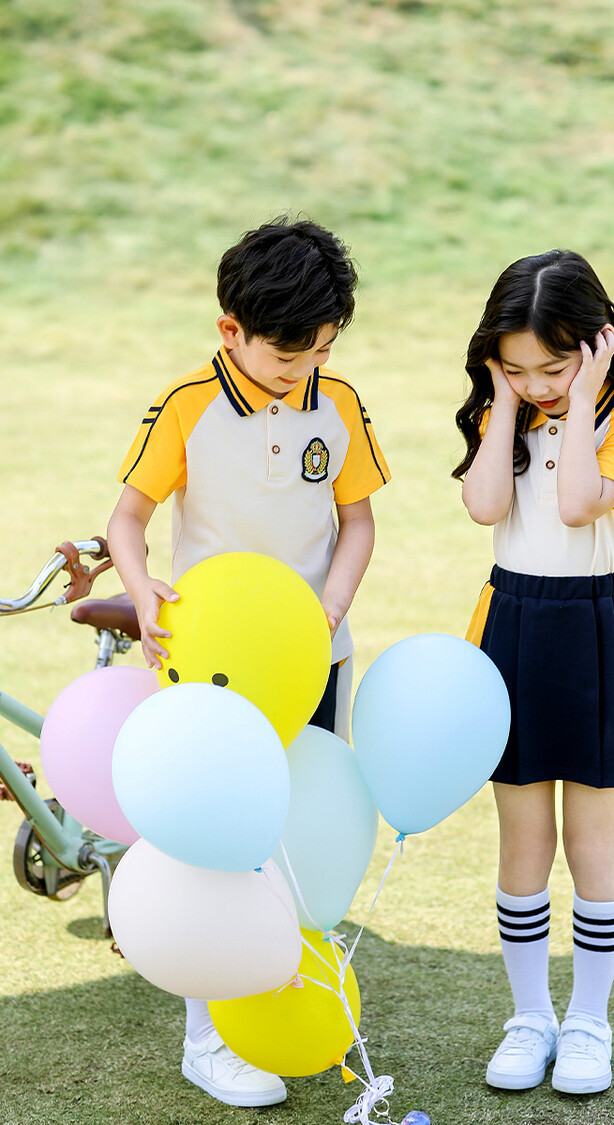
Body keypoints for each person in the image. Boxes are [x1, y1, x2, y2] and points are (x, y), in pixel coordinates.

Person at [107, 216, 390, 1108]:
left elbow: (357, 522)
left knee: (297, 836)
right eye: (286, 356)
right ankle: (209, 1039)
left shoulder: (339, 402)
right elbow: (127, 519)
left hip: (315, 662)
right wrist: (143, 589)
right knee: (215, 845)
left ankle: (283, 999)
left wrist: (330, 608)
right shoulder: (186, 403)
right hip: (211, 670)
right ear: (230, 329)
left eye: (322, 351)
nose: (304, 369)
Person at [454, 250, 614, 1096]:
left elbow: (579, 504)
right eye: (516, 368)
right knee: (522, 840)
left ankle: (588, 1022)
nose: (537, 384)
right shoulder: (503, 412)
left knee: (590, 839)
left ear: (596, 345)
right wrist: (506, 401)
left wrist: (581, 405)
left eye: (554, 367)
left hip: (594, 627)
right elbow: (484, 505)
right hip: (510, 620)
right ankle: (529, 1016)